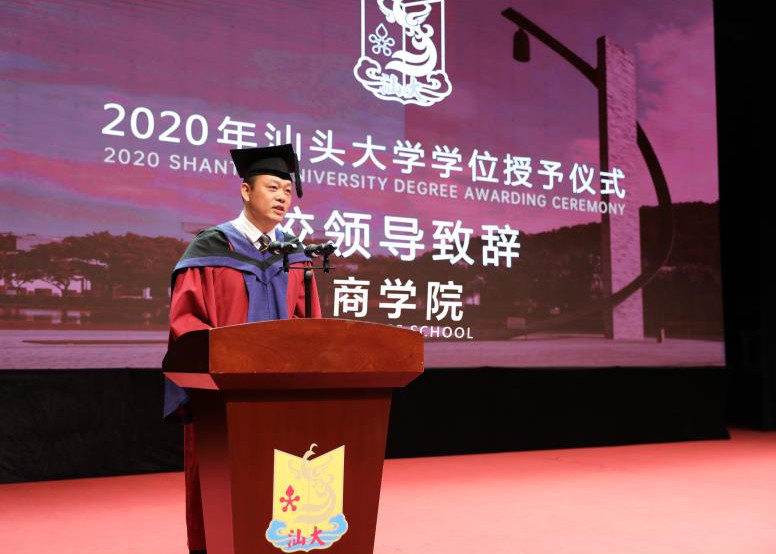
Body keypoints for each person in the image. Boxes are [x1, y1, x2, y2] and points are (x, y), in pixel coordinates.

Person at [165, 144, 322, 554]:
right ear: (246, 190)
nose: (282, 197)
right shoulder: (210, 250)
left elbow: (310, 326)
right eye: (272, 187)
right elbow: (187, 326)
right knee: (222, 490)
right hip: (223, 400)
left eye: (287, 190)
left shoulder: (296, 255)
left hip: (282, 398)